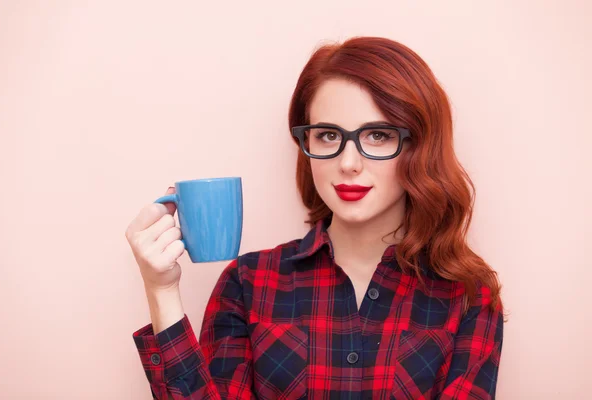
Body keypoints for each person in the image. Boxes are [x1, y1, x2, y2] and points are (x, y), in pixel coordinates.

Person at [126, 36, 504, 400]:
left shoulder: (469, 294)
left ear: (418, 146)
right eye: (327, 135)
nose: (349, 164)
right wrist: (161, 291)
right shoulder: (247, 284)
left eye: (377, 135)